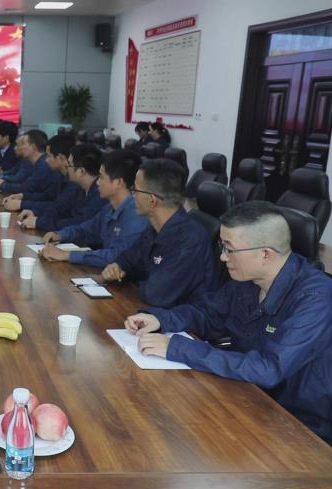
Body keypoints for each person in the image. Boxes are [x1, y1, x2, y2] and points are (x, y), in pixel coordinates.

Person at [125, 201, 332, 444]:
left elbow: (269, 369)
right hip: (246, 395)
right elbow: (209, 314)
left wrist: (177, 348)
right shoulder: (248, 278)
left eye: (229, 249)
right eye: (222, 246)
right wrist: (160, 318)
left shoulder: (316, 298)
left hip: (299, 424)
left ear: (265, 254)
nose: (223, 257)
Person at [102, 158, 216, 307]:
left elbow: (156, 295)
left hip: (183, 325)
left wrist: (130, 277)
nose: (132, 195)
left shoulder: (190, 240)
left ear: (152, 201)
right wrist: (116, 267)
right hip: (152, 313)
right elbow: (128, 259)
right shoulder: (155, 228)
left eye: (135, 190)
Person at [40, 149, 149, 267]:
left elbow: (116, 257)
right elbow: (86, 230)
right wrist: (60, 235)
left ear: (118, 183)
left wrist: (67, 255)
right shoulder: (109, 208)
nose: (97, 183)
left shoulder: (136, 215)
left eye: (101, 177)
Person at [16, 142, 107, 232]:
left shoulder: (99, 194)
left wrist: (40, 222)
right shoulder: (81, 188)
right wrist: (36, 214)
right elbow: (60, 208)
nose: (67, 167)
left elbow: (80, 222)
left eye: (70, 165)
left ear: (81, 171)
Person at [0, 130, 63, 205]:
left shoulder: (43, 164)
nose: (20, 147)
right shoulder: (34, 161)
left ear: (33, 147)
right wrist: (23, 196)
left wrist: (3, 185)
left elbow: (29, 187)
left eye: (23, 144)